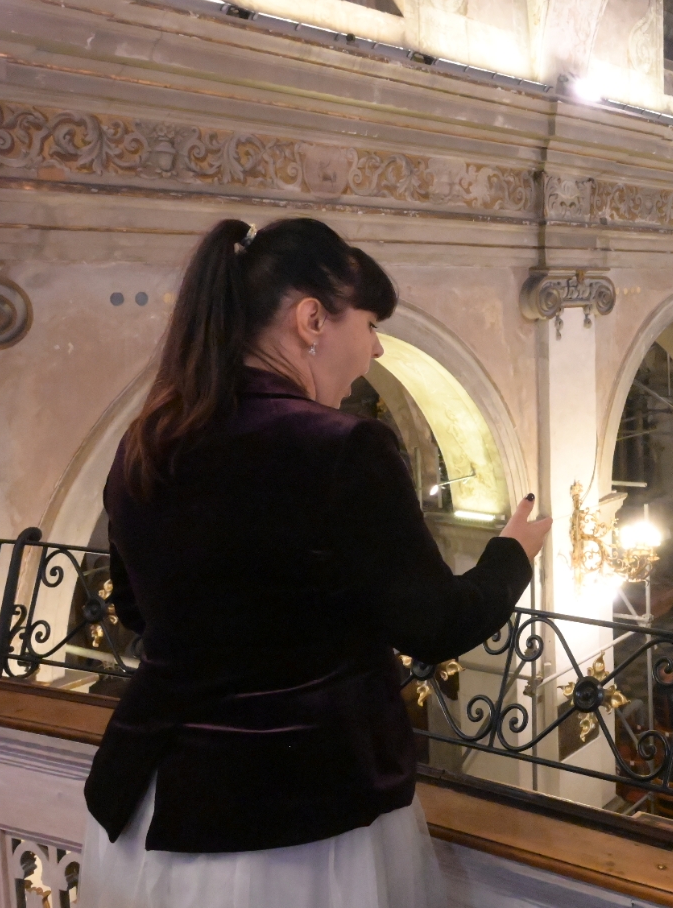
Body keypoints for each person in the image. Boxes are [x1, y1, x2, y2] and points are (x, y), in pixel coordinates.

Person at [80, 218, 549, 908]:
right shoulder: (343, 448)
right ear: (312, 319)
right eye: (370, 324)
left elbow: (133, 608)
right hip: (296, 820)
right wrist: (512, 554)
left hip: (150, 801)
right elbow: (434, 624)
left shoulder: (149, 437)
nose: (376, 348)